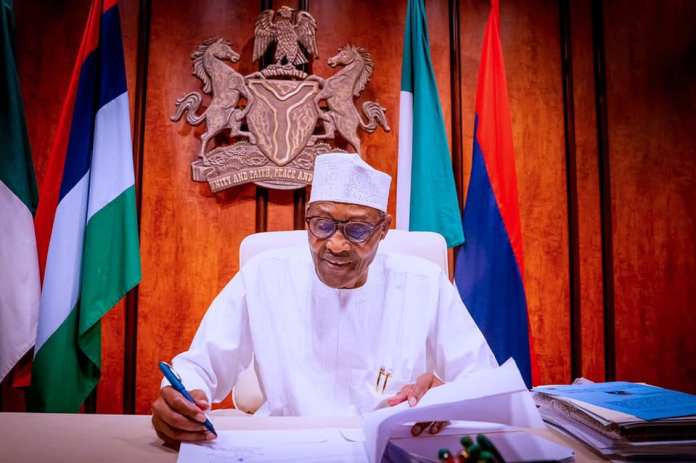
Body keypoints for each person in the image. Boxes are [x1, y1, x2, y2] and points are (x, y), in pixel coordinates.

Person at [151, 152, 497, 446]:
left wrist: (446, 396)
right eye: (322, 225)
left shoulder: (424, 283)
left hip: (385, 449)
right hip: (284, 447)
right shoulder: (264, 275)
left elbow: (484, 384)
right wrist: (182, 399)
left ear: (383, 230)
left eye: (357, 230)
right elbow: (197, 367)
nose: (336, 244)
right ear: (307, 221)